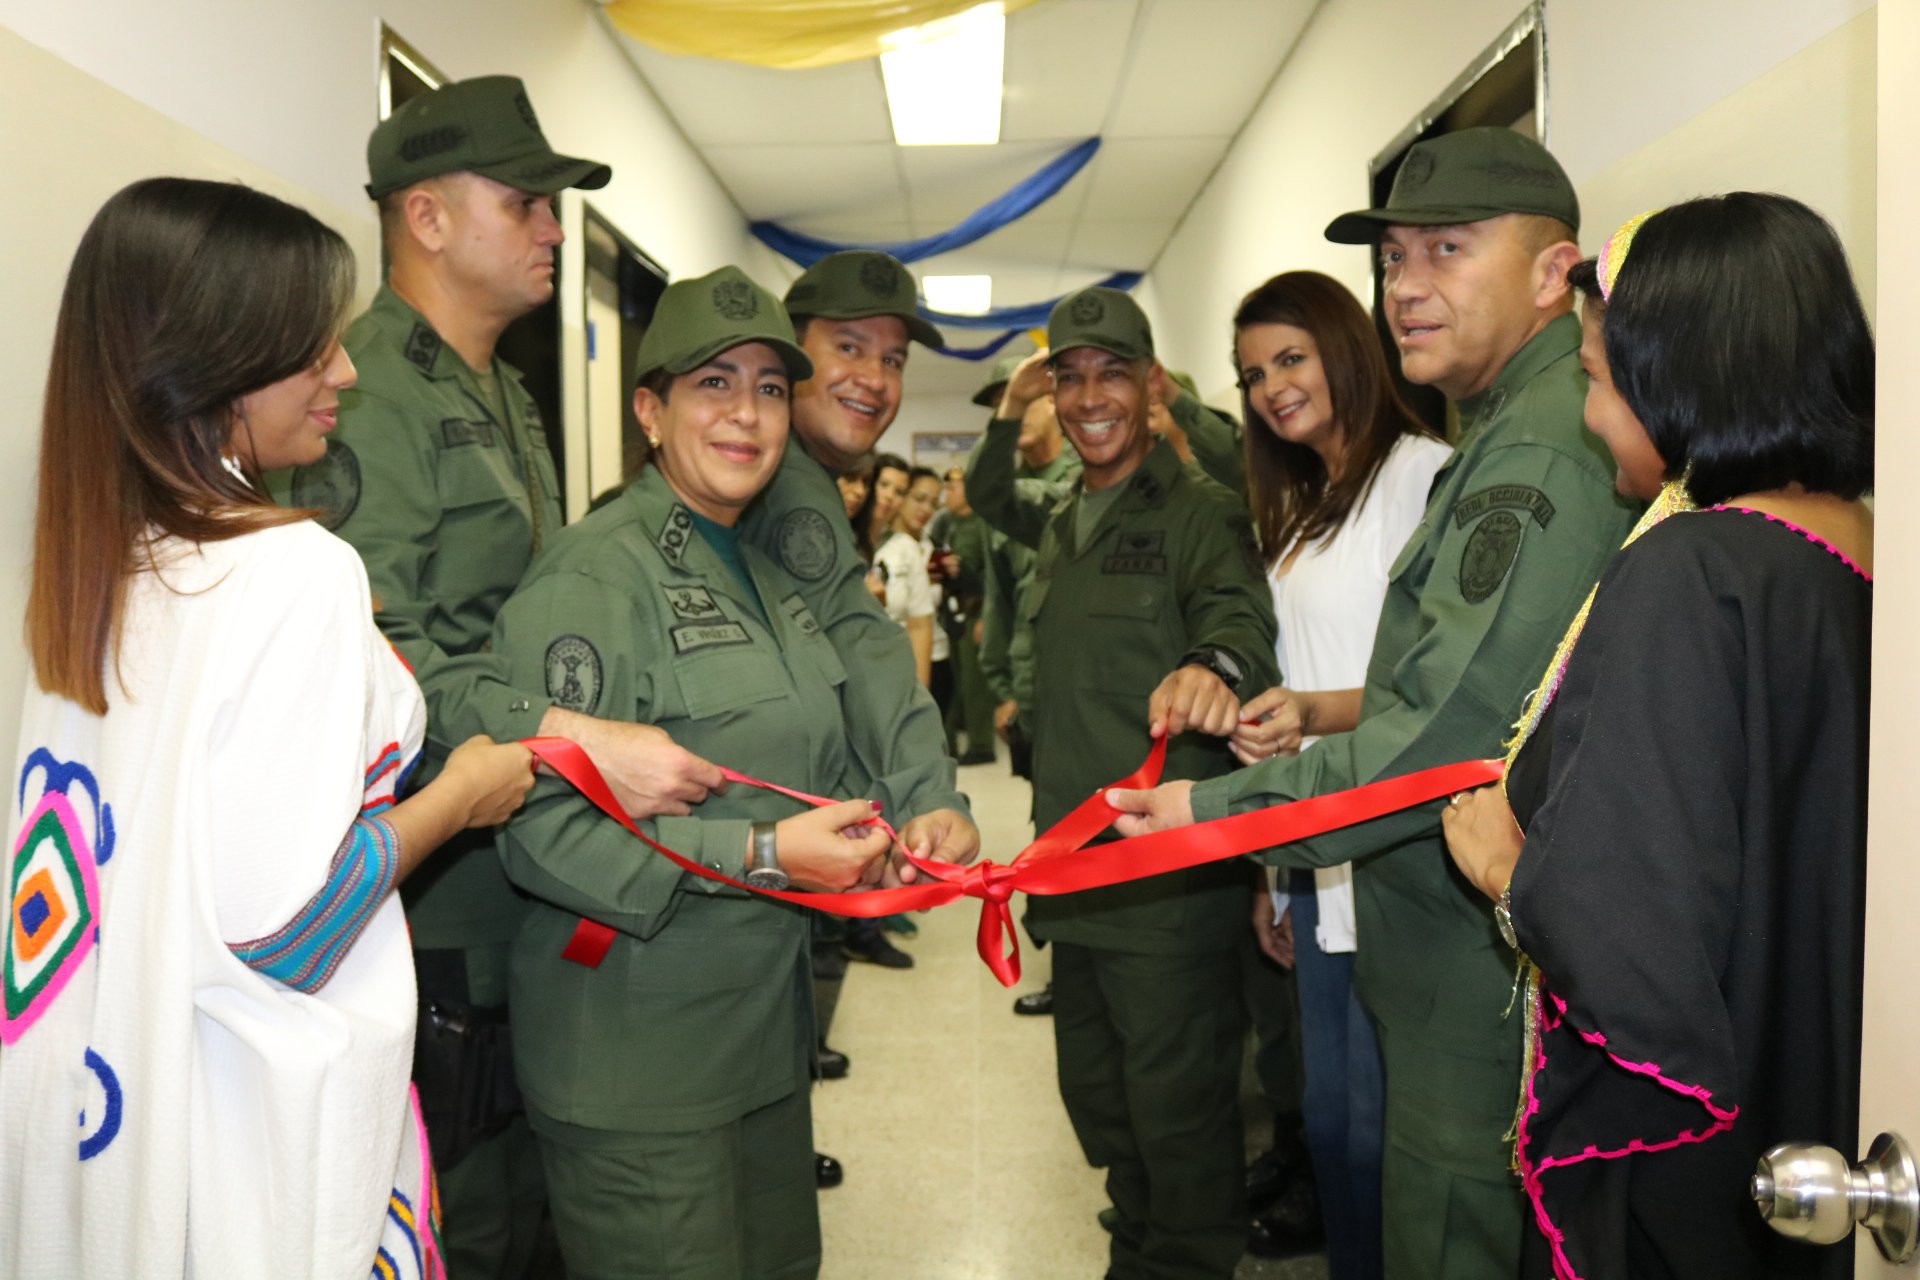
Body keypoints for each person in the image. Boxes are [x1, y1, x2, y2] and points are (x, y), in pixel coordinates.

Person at [1108, 127, 1640, 1279]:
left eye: (1449, 250)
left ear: (1555, 272)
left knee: (1455, 1231)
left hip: (1478, 955)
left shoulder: (1534, 454)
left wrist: (1222, 810)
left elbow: (1442, 737)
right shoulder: (1500, 428)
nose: (1406, 288)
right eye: (1394, 259)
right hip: (1437, 928)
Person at [1, 177, 535, 1278]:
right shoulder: (292, 569)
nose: (345, 369)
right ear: (212, 362)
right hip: (242, 1148)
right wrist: (461, 795)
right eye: (312, 345)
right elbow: (290, 933)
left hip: (97, 1112)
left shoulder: (99, 566)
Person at [278, 74, 725, 1275]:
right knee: (463, 1199)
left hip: (523, 847)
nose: (549, 229)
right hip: (434, 875)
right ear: (426, 218)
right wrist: (573, 739)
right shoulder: (367, 394)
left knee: (534, 1191)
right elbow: (383, 664)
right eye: (526, 203)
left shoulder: (503, 387)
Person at [1443, 195, 1873, 1280]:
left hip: (1697, 1133)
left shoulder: (1693, 569)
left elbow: (1635, 930)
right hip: (1818, 1065)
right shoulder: (1860, 545)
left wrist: (1506, 867)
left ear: (1678, 377)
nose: (1590, 415)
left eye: (1594, 377)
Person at [492, 266, 907, 1279]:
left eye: (770, 388)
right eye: (713, 383)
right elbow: (542, 827)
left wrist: (880, 829)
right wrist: (768, 852)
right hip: (639, 1064)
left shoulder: (762, 573)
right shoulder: (596, 574)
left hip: (759, 1045)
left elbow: (796, 752)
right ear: (649, 408)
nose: (747, 413)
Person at [969, 287, 1280, 1280]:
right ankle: (1137, 1250)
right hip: (1073, 878)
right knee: (1105, 1107)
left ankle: (1182, 1258)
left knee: (1180, 1119)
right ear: (1053, 391)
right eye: (1072, 376)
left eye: (1114, 372)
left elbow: (1239, 621)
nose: (1091, 394)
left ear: (1151, 386)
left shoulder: (1199, 512)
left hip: (1164, 887)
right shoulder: (1063, 515)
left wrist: (1216, 668)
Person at [1226, 270, 1451, 1278]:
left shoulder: (1426, 476)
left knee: (1387, 1129)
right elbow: (1300, 682)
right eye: (1252, 374)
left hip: (1401, 849)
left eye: (1289, 357)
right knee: (1332, 1119)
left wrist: (1313, 713)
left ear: (1344, 347)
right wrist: (1271, 872)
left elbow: (1448, 689)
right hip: (1316, 856)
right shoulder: (1305, 505)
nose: (1272, 386)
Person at [934, 465, 1000, 765]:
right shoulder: (946, 523)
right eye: (946, 487)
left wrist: (988, 615)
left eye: (955, 487)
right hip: (951, 610)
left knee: (976, 684)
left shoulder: (983, 523)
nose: (948, 493)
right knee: (957, 679)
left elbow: (994, 573)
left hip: (975, 610)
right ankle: (960, 733)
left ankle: (981, 744)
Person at [872, 465, 942, 688]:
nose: (889, 496)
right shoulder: (844, 538)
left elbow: (920, 623)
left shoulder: (908, 547)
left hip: (897, 667)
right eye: (883, 485)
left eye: (899, 491)